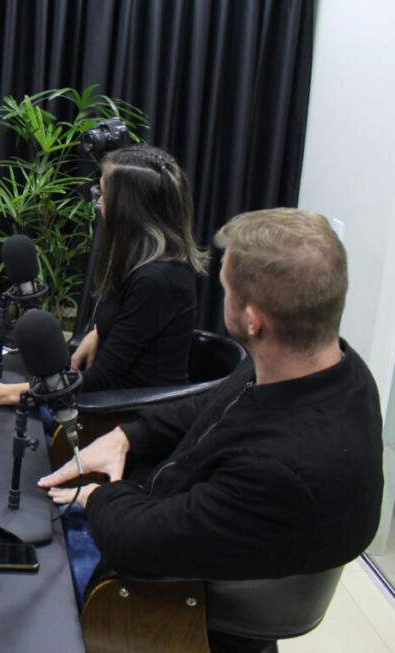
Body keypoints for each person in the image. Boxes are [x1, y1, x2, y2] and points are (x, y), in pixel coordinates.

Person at [40, 208, 383, 652]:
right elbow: (214, 402)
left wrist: (98, 497)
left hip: (160, 604)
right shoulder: (326, 366)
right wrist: (128, 437)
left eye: (225, 288)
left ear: (254, 320)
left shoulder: (282, 468)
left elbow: (135, 544)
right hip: (175, 524)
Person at [0, 145, 206, 405]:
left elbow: (103, 377)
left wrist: (13, 393)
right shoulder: (142, 263)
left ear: (127, 207)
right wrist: (98, 333)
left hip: (132, 410)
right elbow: (135, 330)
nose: (97, 201)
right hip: (115, 397)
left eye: (102, 193)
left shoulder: (157, 280)